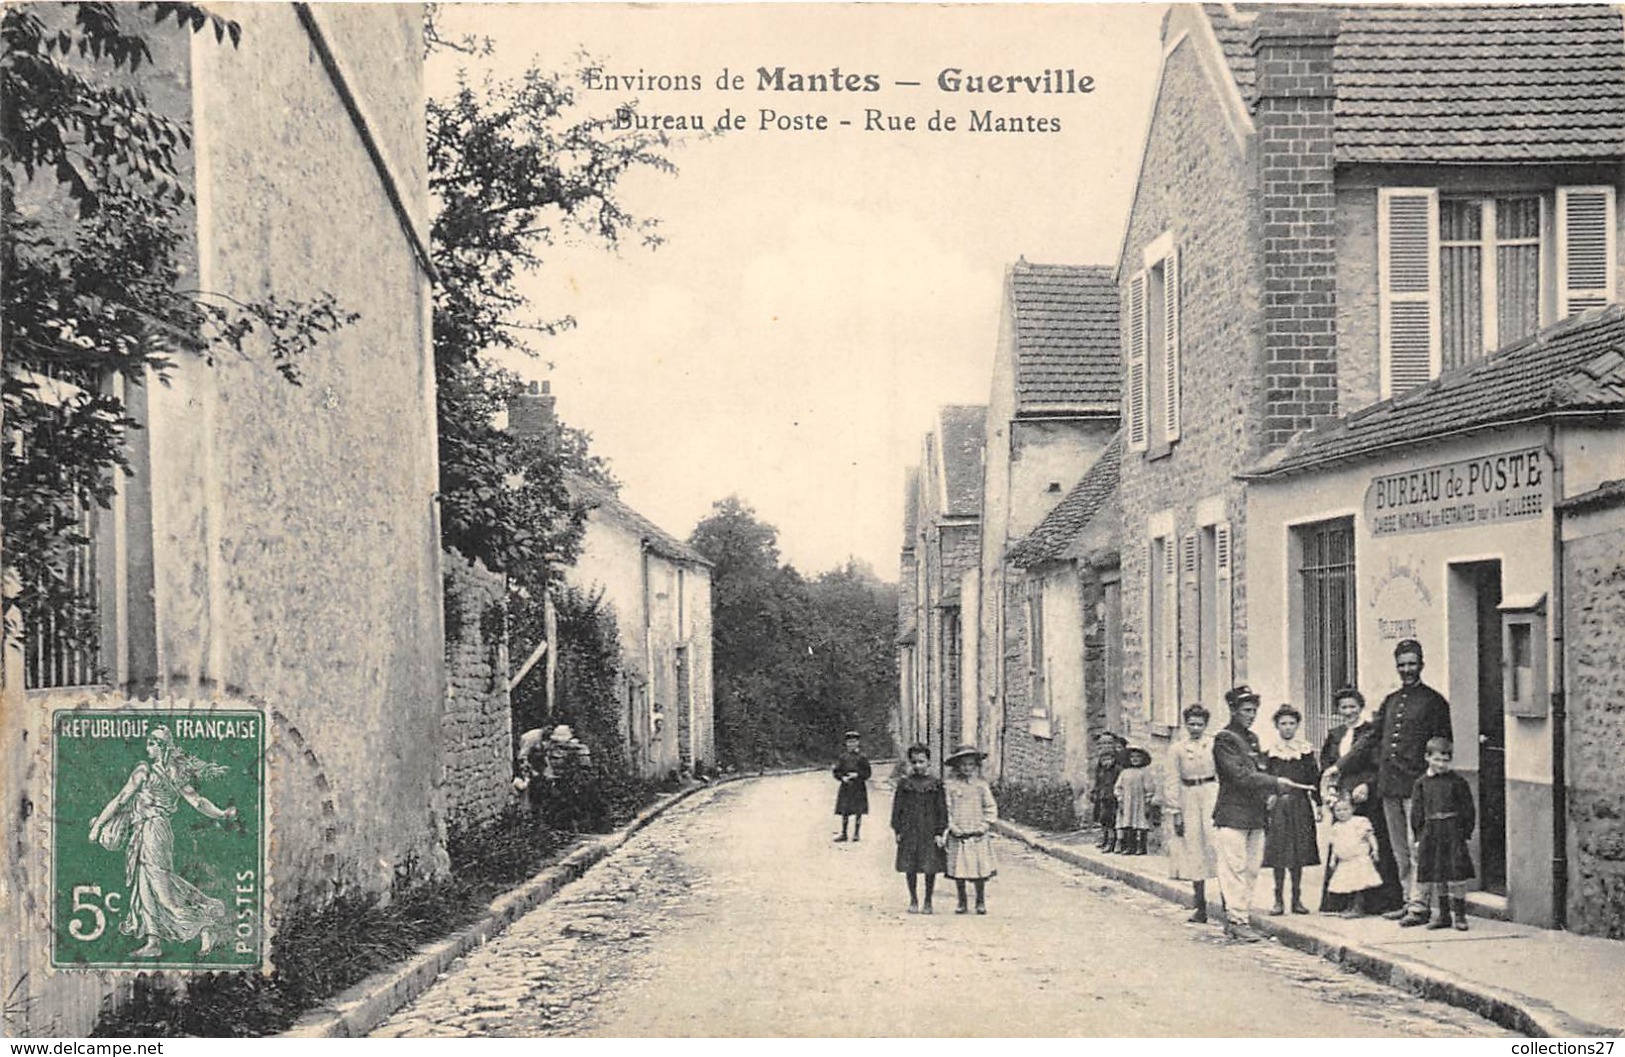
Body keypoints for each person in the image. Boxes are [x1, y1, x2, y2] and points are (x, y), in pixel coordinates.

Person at [87, 726, 235, 959]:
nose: (148, 746)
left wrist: (97, 827)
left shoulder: (146, 772)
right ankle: (153, 941)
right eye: (149, 742)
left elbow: (122, 799)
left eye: (152, 742)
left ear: (163, 746)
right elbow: (198, 802)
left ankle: (206, 925)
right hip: (146, 830)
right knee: (144, 886)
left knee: (162, 890)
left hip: (153, 831)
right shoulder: (170, 772)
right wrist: (221, 814)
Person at [1333, 640, 1453, 926]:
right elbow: (1371, 738)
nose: (1407, 670)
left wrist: (1433, 779)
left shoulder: (1434, 702)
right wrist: (1339, 766)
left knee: (1417, 847)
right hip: (1390, 786)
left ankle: (1420, 905)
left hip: (1417, 785)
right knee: (1399, 848)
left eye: (1411, 664)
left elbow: (1443, 745)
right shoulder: (1391, 701)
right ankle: (1406, 900)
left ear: (1421, 664)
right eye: (1402, 665)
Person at [1212, 685, 1302, 943]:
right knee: (1234, 869)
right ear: (1233, 710)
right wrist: (1275, 783)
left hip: (1254, 815)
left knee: (1251, 870)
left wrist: (1269, 796)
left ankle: (1242, 918)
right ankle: (1236, 919)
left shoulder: (1252, 739)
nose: (1251, 715)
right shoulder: (1225, 739)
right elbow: (1240, 776)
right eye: (1246, 710)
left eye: (1254, 710)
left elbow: (1257, 773)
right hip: (1231, 814)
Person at [1319, 688, 1403, 914]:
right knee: (1343, 846)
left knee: (1365, 846)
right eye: (1344, 707)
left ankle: (1370, 902)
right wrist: (1331, 792)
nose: (1349, 712)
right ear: (1338, 710)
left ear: (1360, 707)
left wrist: (1367, 785)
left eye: (1353, 706)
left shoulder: (1369, 733)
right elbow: (1327, 765)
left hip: (1365, 796)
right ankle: (1342, 901)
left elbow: (1379, 765)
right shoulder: (1335, 734)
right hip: (1343, 800)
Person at [1410, 737, 1476, 931]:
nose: (1441, 764)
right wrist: (1418, 836)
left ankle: (1460, 915)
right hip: (1431, 831)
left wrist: (1465, 832)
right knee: (1438, 874)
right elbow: (1417, 812)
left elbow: (1468, 808)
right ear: (1427, 758)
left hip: (1453, 830)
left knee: (1456, 875)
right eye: (1437, 760)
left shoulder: (1457, 781)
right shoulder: (1422, 783)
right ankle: (1444, 915)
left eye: (1445, 760)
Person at [1163, 704, 1220, 923]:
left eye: (1199, 724)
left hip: (1210, 793)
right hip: (1188, 796)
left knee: (1216, 846)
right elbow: (1171, 779)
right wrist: (1175, 811)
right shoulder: (1177, 749)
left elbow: (1221, 775)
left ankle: (1228, 905)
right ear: (1185, 724)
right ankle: (1200, 906)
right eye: (1191, 724)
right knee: (1194, 848)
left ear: (1205, 725)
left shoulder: (1213, 745)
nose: (1195, 728)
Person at [1262, 704, 1321, 915]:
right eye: (1283, 724)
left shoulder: (1305, 750)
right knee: (1279, 851)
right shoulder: (1270, 751)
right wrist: (1266, 800)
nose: (1287, 728)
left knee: (1298, 852)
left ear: (1297, 725)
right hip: (1279, 805)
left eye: (1291, 723)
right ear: (1277, 726)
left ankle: (1297, 899)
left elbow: (1314, 778)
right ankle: (1277, 900)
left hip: (1300, 805)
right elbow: (1265, 779)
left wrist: (1319, 803)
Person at [890, 743, 948, 914]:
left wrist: (939, 832)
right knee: (910, 866)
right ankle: (913, 899)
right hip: (909, 830)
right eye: (914, 762)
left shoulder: (936, 784)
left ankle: (928, 900)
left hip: (929, 830)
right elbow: (897, 808)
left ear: (929, 762)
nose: (918, 766)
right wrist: (898, 830)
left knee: (930, 866)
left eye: (921, 762)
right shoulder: (905, 784)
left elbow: (942, 809)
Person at [942, 744, 998, 915]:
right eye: (963, 765)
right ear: (957, 766)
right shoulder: (950, 786)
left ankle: (980, 901)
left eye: (971, 765)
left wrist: (985, 825)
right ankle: (962, 901)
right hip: (958, 833)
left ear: (976, 766)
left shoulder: (981, 786)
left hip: (977, 834)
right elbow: (946, 808)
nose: (967, 768)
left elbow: (990, 807)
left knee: (979, 869)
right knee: (959, 870)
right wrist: (952, 826)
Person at [1324, 794, 1384, 918]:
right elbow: (1335, 845)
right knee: (1348, 884)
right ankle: (1349, 907)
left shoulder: (1359, 821)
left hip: (1358, 859)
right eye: (1338, 810)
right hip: (1344, 861)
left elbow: (1370, 836)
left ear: (1352, 809)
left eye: (1345, 809)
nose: (1342, 813)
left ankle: (1358, 907)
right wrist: (1333, 859)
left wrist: (1375, 849)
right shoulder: (1336, 827)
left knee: (1359, 884)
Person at [1113, 746, 1157, 855]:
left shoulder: (1144, 773)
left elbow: (1149, 788)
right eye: (1132, 757)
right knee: (1128, 823)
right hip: (1127, 802)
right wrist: (1120, 799)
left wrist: (1147, 801)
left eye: (1138, 757)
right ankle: (1129, 846)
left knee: (1141, 824)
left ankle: (1141, 847)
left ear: (1143, 759)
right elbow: (1118, 787)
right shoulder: (1124, 773)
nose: (1135, 759)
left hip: (1140, 802)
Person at [832, 731, 871, 842]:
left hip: (858, 787)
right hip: (846, 787)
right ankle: (844, 833)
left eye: (854, 742)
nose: (851, 744)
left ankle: (856, 833)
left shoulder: (862, 757)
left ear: (858, 743)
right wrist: (842, 778)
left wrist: (858, 775)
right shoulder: (843, 757)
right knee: (845, 810)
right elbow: (836, 771)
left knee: (858, 810)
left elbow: (868, 773)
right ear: (846, 743)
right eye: (849, 742)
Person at [1091, 731, 1126, 852]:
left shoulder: (1119, 761)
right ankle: (1105, 838)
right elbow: (1098, 778)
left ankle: (1115, 842)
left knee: (1114, 819)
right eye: (1102, 743)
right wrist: (1095, 791)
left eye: (1109, 743)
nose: (1106, 746)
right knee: (1103, 818)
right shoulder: (1100, 761)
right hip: (1103, 794)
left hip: (1113, 794)